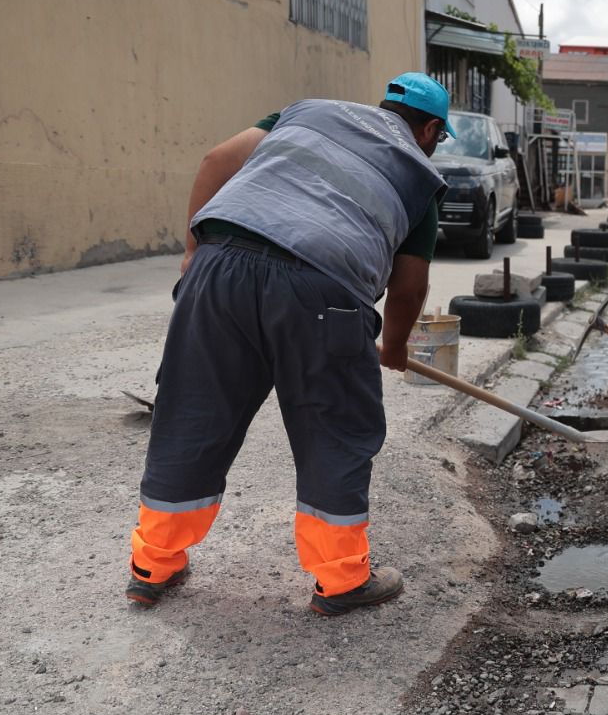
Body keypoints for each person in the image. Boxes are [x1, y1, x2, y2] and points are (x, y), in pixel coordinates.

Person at [125, 74, 454, 615]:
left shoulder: (306, 114)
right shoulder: (416, 172)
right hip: (324, 291)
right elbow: (409, 286)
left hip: (219, 271)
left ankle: (152, 565)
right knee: (334, 428)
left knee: (192, 413)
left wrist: (192, 252)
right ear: (430, 129)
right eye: (438, 138)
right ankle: (342, 580)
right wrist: (394, 347)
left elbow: (215, 160)